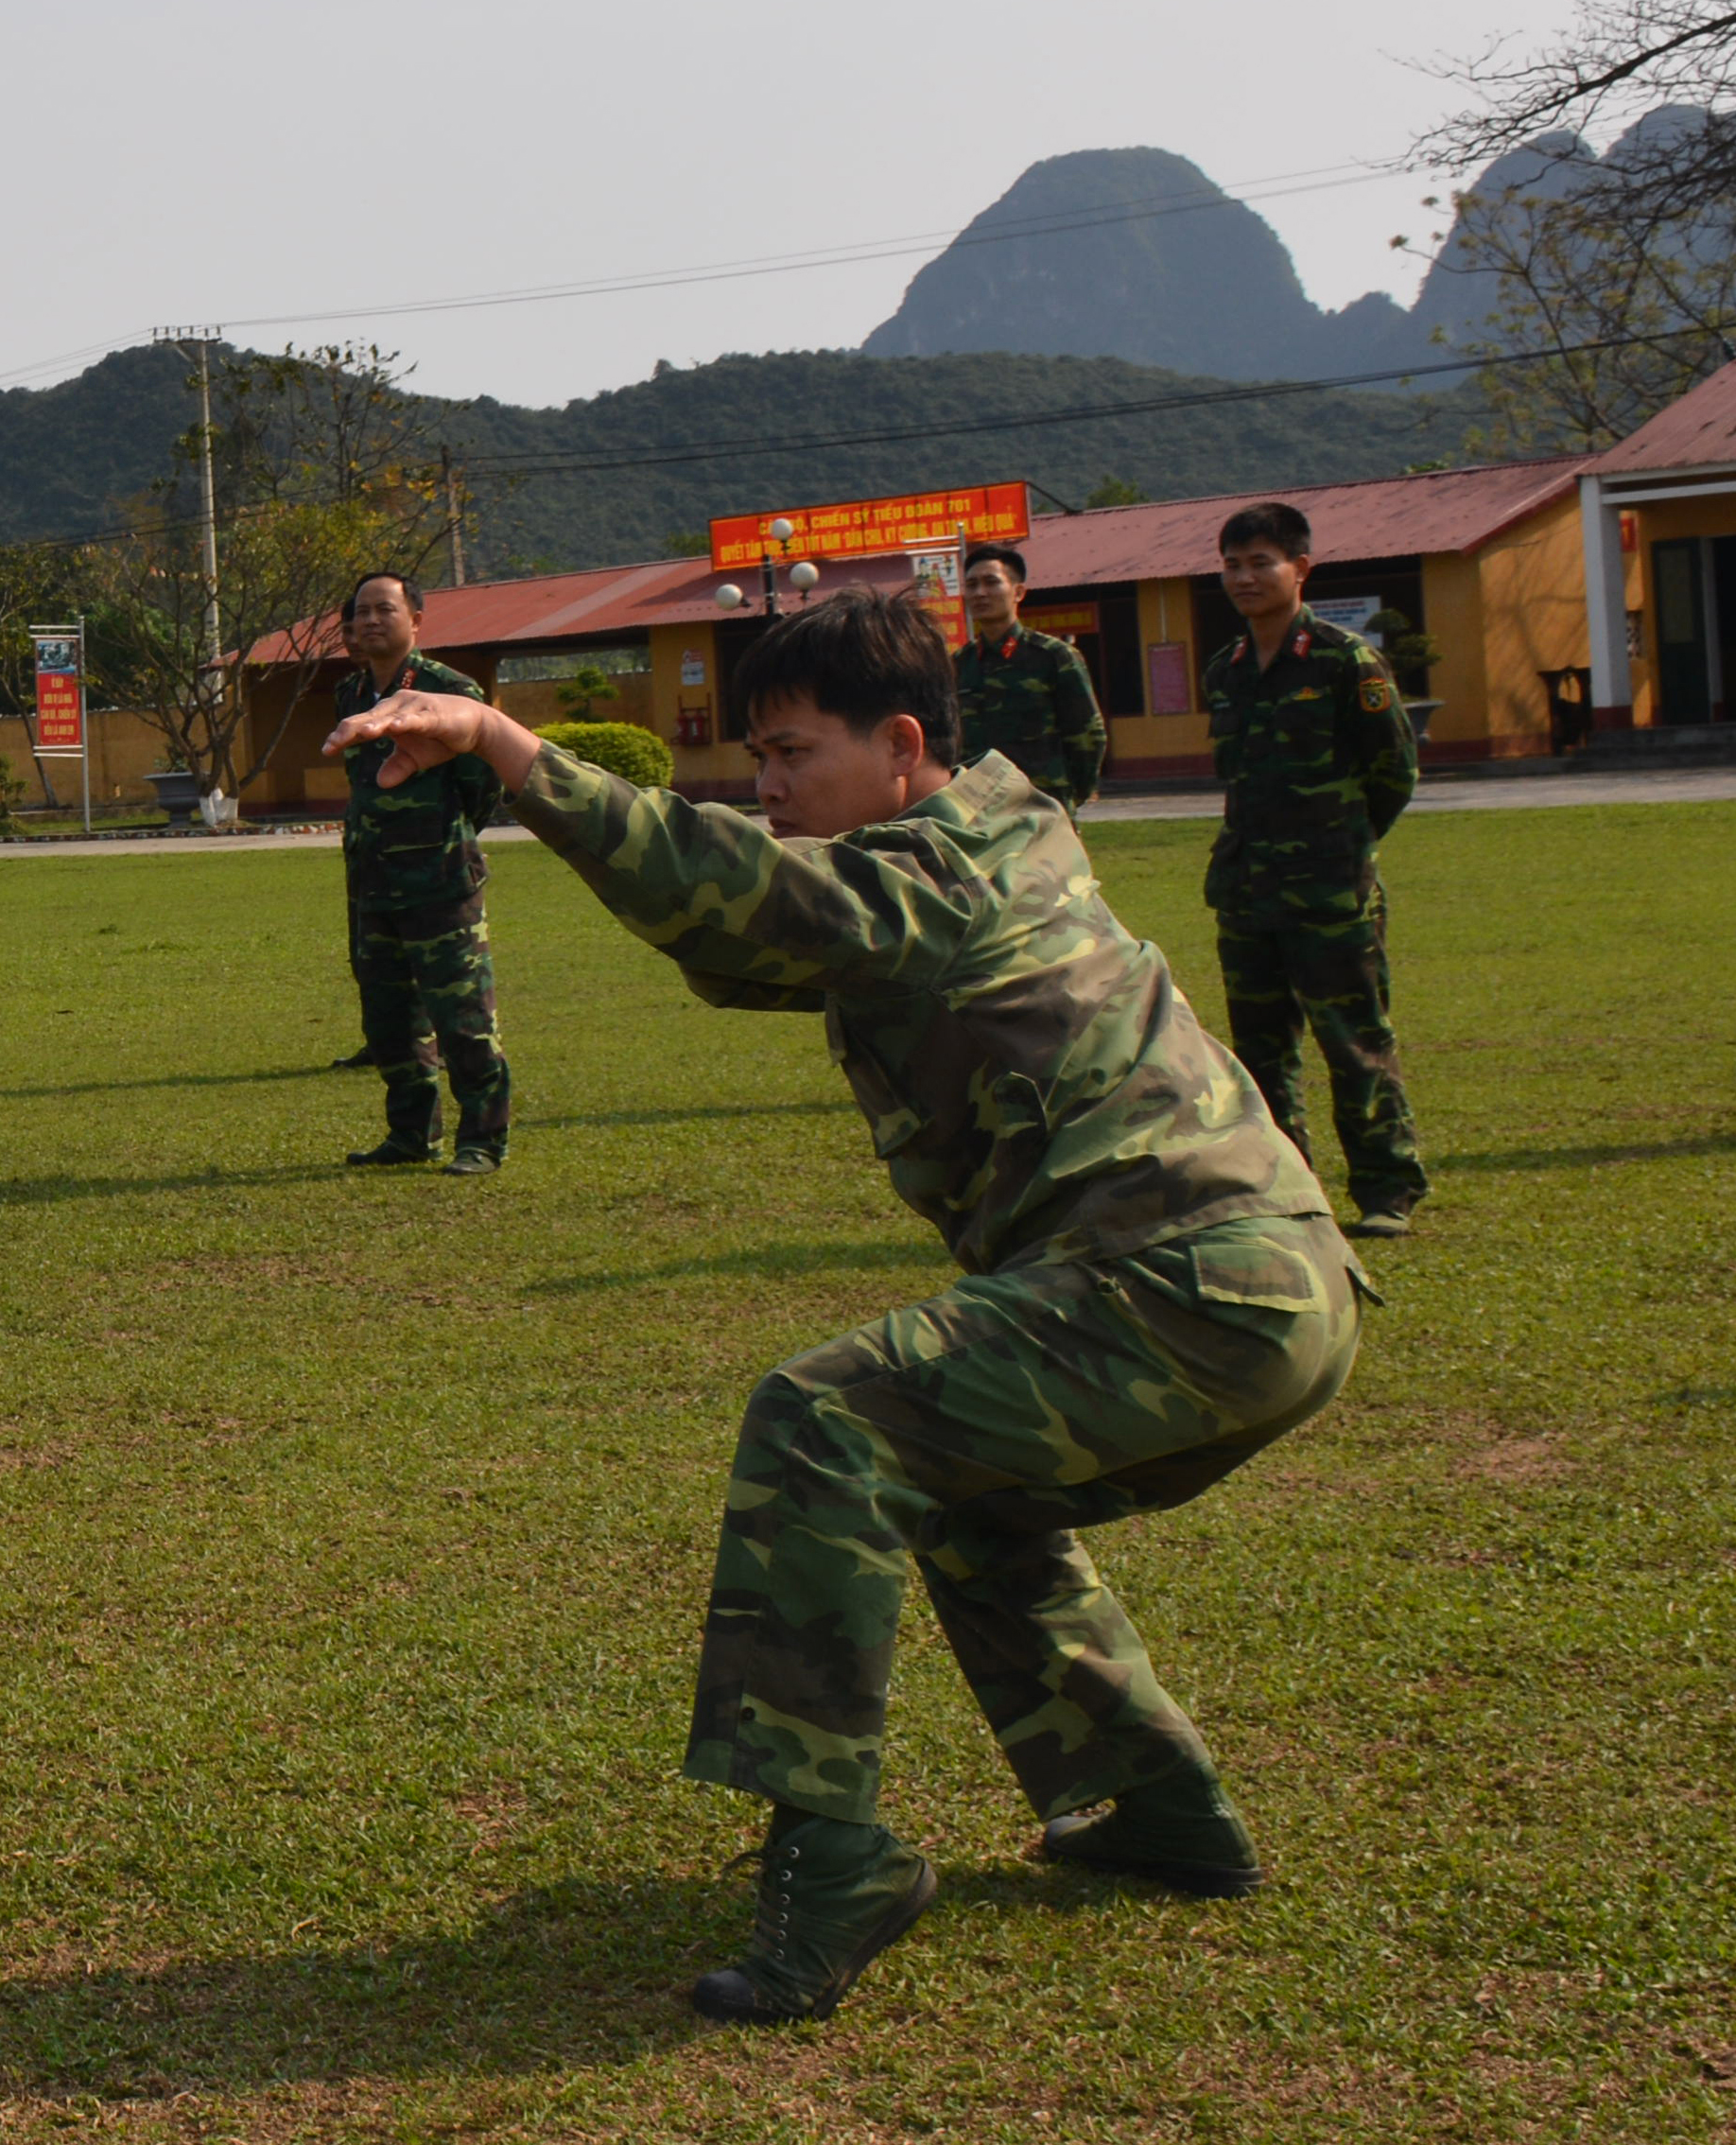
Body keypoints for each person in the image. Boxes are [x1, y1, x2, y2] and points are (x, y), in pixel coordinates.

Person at [321, 587, 1369, 2024]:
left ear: (900, 743)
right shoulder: (997, 833)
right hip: (1267, 1284)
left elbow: (743, 893)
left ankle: (837, 1861)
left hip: (1187, 1284)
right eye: (752, 754)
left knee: (822, 1419)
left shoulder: (935, 876)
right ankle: (1155, 1805)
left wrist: (510, 745)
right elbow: (741, 936)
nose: (765, 784)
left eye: (792, 753)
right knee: (959, 1483)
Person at [1202, 501, 1427, 1238]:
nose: (1244, 577)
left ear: (1300, 568)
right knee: (1260, 1055)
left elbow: (1392, 772)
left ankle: (1386, 1190)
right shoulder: (1227, 670)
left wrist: (1342, 850)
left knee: (1352, 1040)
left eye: (1259, 562)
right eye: (1231, 564)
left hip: (1330, 894)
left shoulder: (1344, 661)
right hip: (1246, 894)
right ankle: (1285, 1191)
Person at [331, 571, 509, 1174]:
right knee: (388, 1018)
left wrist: (442, 838)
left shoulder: (448, 691)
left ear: (416, 621)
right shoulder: (350, 696)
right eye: (362, 612)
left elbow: (482, 783)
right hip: (372, 882)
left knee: (462, 1018)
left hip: (440, 883)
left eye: (385, 609)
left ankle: (481, 1141)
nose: (371, 621)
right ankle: (411, 1135)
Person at [951, 541, 1106, 805]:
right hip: (979, 810)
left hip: (1041, 805)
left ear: (1018, 592)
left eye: (991, 582)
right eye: (972, 585)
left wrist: (1069, 796)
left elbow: (1088, 735)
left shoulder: (1053, 656)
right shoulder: (959, 664)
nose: (980, 593)